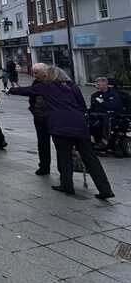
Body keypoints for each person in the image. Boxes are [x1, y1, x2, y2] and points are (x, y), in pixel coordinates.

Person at [10, 65, 114, 199]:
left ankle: (67, 185)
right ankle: (105, 189)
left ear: (50, 76)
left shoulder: (47, 86)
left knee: (64, 156)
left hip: (60, 126)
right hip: (79, 125)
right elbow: (82, 106)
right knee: (91, 158)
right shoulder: (73, 86)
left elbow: (26, 90)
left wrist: (11, 89)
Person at [89, 76, 126, 146]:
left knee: (106, 118)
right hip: (97, 113)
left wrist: (102, 102)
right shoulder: (95, 95)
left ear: (104, 84)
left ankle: (105, 139)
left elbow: (113, 106)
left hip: (110, 114)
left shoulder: (113, 94)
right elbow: (92, 107)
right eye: (96, 84)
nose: (96, 86)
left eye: (98, 84)